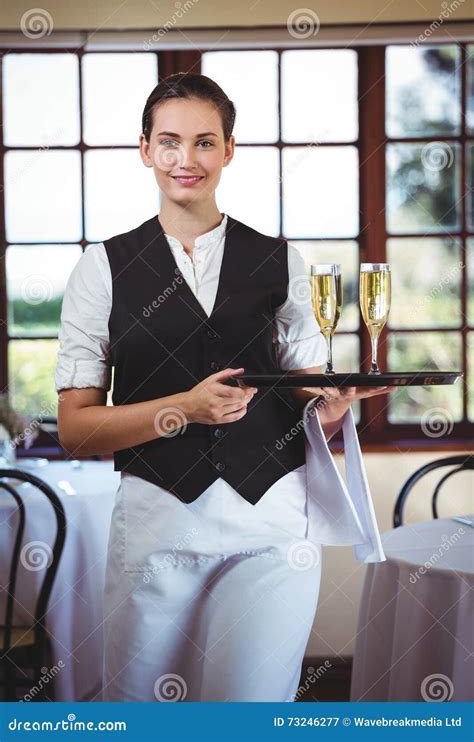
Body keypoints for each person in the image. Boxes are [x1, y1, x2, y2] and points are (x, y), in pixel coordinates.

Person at [55, 72, 396, 702]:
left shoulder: (278, 260)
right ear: (145, 149)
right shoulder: (101, 268)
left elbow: (305, 401)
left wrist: (330, 409)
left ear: (230, 150)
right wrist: (182, 408)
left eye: (205, 142)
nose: (187, 160)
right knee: (143, 713)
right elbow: (76, 430)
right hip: (156, 526)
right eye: (170, 142)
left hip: (269, 524)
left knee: (253, 710)